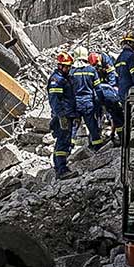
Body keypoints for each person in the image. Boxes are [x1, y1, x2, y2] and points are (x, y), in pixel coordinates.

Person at [47, 52, 79, 180]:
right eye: (66, 66)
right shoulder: (56, 80)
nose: (69, 69)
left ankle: (60, 167)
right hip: (62, 115)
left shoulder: (65, 78)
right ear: (60, 66)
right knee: (62, 142)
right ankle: (62, 170)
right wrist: (61, 116)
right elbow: (54, 100)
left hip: (68, 114)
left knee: (65, 141)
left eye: (69, 66)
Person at [70, 46, 105, 152]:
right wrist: (101, 101)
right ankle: (98, 148)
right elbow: (98, 88)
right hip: (88, 103)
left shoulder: (71, 71)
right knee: (92, 126)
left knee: (73, 127)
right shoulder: (92, 70)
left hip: (75, 104)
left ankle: (68, 148)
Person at [89, 52, 124, 145]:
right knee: (108, 115)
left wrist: (112, 87)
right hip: (103, 90)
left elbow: (112, 75)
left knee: (115, 114)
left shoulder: (107, 60)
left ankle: (117, 136)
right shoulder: (94, 66)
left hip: (108, 90)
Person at [115, 33, 134, 98]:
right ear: (130, 43)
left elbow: (116, 78)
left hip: (122, 93)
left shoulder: (119, 58)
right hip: (131, 92)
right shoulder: (131, 56)